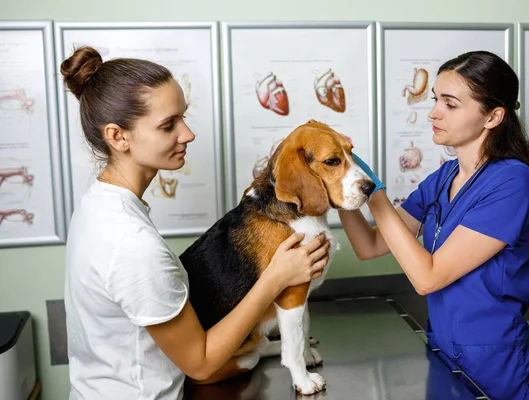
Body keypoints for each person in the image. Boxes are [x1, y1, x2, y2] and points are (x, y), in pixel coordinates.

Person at [61, 46, 330, 400]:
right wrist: (276, 277)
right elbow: (200, 364)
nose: (187, 134)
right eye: (168, 125)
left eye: (183, 118)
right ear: (117, 136)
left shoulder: (98, 205)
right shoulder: (131, 243)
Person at [341, 50, 529, 400]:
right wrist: (341, 185)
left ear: (493, 116)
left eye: (450, 104)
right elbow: (369, 246)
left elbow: (427, 278)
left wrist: (374, 191)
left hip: (495, 365)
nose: (433, 113)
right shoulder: (443, 177)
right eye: (435, 100)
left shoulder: (513, 183)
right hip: (444, 354)